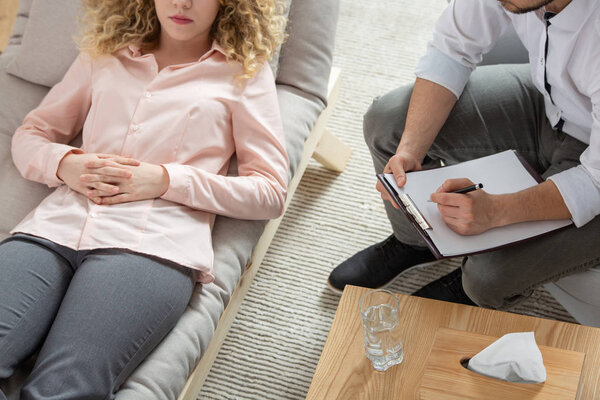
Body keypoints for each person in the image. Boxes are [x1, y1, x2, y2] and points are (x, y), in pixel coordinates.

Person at [0, 0, 288, 398]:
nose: (182, 3)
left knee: (62, 389)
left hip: (150, 247)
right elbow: (33, 133)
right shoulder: (104, 55)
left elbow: (270, 191)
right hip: (51, 229)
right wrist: (64, 163)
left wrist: (167, 180)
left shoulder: (244, 75)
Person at [328, 0, 600, 309]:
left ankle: (469, 288)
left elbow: (595, 181)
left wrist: (496, 211)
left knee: (486, 277)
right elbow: (451, 48)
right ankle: (417, 243)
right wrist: (410, 149)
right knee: (388, 123)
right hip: (552, 103)